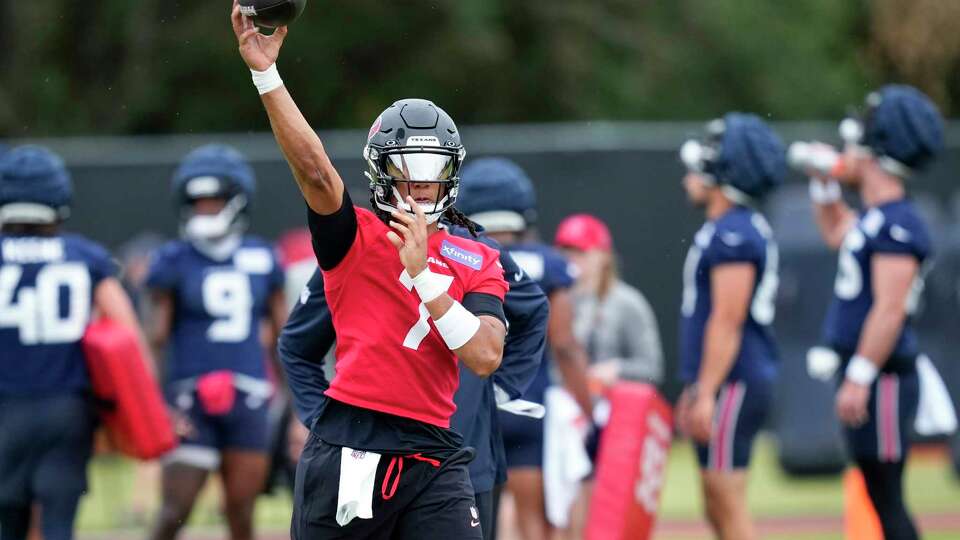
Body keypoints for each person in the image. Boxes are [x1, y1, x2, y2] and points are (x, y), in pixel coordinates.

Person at [231, 5, 510, 539]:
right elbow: (313, 169)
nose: (422, 184)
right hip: (350, 443)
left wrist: (426, 278)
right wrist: (265, 74)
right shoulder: (355, 237)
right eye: (409, 168)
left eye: (435, 169)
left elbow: (484, 355)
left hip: (432, 450)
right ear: (382, 172)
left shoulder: (479, 258)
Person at [278, 221, 549, 540]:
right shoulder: (361, 243)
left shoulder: (476, 251)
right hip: (364, 451)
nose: (420, 188)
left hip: (457, 454)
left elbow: (528, 318)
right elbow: (296, 346)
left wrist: (500, 390)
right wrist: (323, 420)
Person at [806, 85, 943, 540]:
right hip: (872, 373)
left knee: (887, 498)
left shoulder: (897, 223)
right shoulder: (875, 216)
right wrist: (823, 179)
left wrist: (861, 375)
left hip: (883, 377)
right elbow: (833, 232)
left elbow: (889, 309)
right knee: (878, 493)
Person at [0, 146, 148, 540]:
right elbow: (127, 332)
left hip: (5, 410)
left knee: (7, 523)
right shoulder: (84, 255)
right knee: (58, 526)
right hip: (66, 411)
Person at [146, 144, 288, 540]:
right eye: (199, 201)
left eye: (215, 201)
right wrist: (158, 404)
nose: (206, 209)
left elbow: (284, 338)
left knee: (242, 513)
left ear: (236, 201)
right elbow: (154, 339)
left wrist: (295, 408)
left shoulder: (263, 257)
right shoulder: (172, 259)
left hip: (249, 396)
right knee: (174, 512)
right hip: (189, 398)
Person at [457, 157, 593, 540]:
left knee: (472, 518)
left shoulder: (458, 256)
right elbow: (563, 342)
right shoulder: (549, 263)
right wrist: (589, 409)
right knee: (536, 523)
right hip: (527, 401)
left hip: (471, 405)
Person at [675, 114, 785, 540]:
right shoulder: (725, 229)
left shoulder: (735, 233)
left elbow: (728, 318)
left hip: (735, 378)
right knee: (714, 496)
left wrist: (706, 390)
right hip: (726, 377)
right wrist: (696, 385)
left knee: (725, 493)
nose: (689, 177)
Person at [554, 213, 664, 389]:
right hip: (560, 405)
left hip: (613, 406)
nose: (571, 259)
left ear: (603, 256)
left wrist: (617, 369)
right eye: (565, 252)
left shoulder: (627, 302)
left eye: (580, 251)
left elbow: (652, 369)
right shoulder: (551, 300)